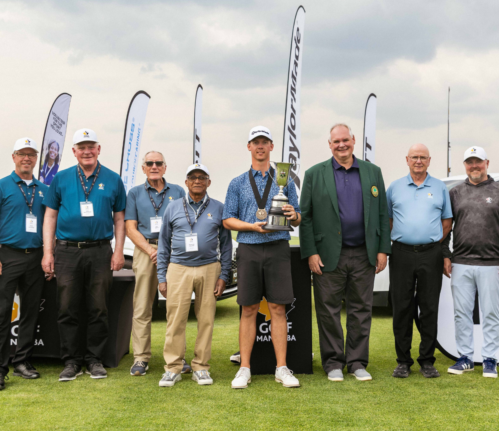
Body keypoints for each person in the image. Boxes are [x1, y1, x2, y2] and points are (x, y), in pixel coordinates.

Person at [300, 123, 390, 382]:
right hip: (327, 255)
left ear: (353, 141)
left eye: (345, 140)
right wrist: (311, 252)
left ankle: (357, 362)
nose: (341, 145)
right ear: (329, 144)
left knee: (361, 309)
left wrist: (383, 249)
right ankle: (333, 363)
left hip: (364, 253)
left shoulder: (373, 172)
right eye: (336, 141)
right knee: (327, 311)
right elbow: (305, 217)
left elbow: (383, 214)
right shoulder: (314, 174)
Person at [41, 128, 127, 382]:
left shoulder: (112, 179)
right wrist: (48, 252)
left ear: (99, 149)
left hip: (101, 251)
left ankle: (94, 359)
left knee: (98, 307)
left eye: (91, 146)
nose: (87, 151)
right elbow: (50, 216)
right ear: (74, 152)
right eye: (82, 147)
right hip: (67, 251)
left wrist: (119, 251)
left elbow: (119, 218)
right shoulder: (61, 178)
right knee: (68, 307)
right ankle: (71, 361)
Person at [223, 126, 301, 389]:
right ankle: (245, 368)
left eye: (264, 142)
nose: (260, 146)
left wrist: (292, 214)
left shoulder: (285, 180)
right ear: (249, 147)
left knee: (278, 308)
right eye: (255, 142)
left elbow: (298, 216)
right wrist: (251, 226)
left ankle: (282, 368)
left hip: (278, 246)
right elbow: (227, 220)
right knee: (249, 309)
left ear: (270, 147)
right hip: (249, 247)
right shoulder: (237, 182)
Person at [441, 146, 499, 379]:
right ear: (465, 165)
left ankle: (490, 359)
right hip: (461, 262)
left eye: (478, 162)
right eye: (469, 162)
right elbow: (445, 226)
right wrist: (446, 253)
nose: (474, 166)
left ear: (487, 163)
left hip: (492, 264)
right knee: (461, 313)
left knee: (491, 313)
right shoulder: (454, 193)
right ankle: (464, 358)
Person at [156, 163, 232, 387]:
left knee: (206, 319)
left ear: (209, 182)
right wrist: (162, 276)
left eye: (202, 177)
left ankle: (201, 366)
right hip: (178, 268)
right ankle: (173, 367)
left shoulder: (219, 208)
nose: (197, 180)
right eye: (192, 177)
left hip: (210, 268)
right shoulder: (172, 207)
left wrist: (224, 275)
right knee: (175, 319)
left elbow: (226, 245)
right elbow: (163, 244)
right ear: (186, 182)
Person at [0, 138, 49, 391]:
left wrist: (47, 257)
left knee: (31, 312)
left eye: (31, 154)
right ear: (14, 157)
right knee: (1, 315)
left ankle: (22, 362)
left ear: (35, 159)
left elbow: (48, 224)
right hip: (7, 256)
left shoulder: (44, 189)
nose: (27, 158)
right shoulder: (0, 187)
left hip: (35, 257)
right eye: (22, 154)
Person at [385, 144, 450, 379]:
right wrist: (407, 237)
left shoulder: (440, 187)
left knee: (429, 307)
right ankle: (403, 361)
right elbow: (388, 220)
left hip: (430, 253)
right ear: (407, 160)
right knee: (401, 307)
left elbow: (446, 222)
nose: (419, 161)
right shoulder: (395, 187)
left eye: (423, 157)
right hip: (401, 253)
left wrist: (429, 242)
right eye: (415, 157)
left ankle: (427, 360)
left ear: (429, 160)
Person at [125, 151, 190, 377]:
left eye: (158, 163)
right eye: (149, 163)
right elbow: (130, 228)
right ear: (143, 168)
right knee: (142, 306)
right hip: (145, 251)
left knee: (176, 307)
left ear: (165, 167)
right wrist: (151, 250)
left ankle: (177, 358)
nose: (154, 166)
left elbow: (186, 222)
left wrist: (166, 250)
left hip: (174, 252)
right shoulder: (134, 193)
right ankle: (141, 358)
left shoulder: (179, 191)